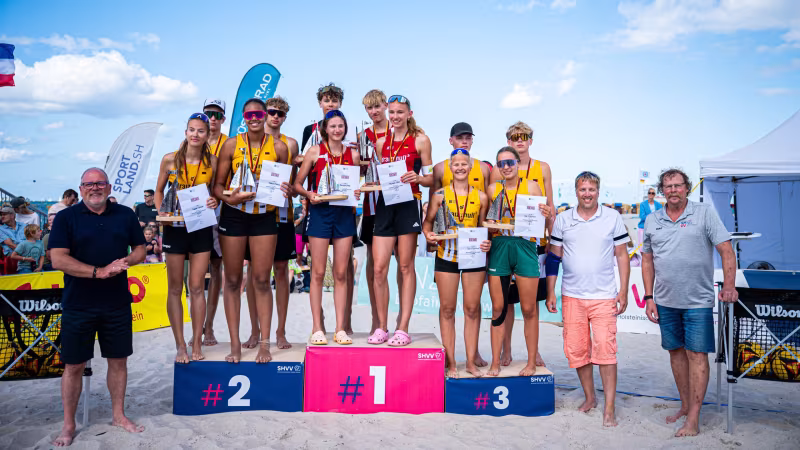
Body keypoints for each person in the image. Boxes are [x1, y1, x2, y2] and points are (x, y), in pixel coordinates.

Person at [49, 167, 146, 446]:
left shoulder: (125, 214)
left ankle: (119, 415)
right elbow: (58, 259)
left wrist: (125, 263)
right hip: (78, 304)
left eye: (100, 183)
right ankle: (68, 425)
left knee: (118, 361)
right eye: (89, 184)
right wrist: (97, 272)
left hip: (116, 303)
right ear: (80, 189)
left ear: (109, 186)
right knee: (74, 365)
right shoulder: (67, 218)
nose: (95, 188)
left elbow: (140, 248)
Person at [642, 168, 738, 437]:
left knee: (697, 355)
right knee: (675, 353)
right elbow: (647, 260)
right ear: (662, 191)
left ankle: (694, 418)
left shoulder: (704, 213)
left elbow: (726, 249)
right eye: (668, 186)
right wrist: (649, 297)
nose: (673, 190)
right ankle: (685, 406)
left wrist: (729, 286)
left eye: (678, 185)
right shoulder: (652, 220)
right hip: (665, 300)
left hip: (697, 301)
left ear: (687, 188)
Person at [546, 171, 631, 427]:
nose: (587, 194)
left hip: (604, 296)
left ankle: (610, 409)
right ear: (576, 192)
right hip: (572, 296)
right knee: (577, 350)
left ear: (598, 191)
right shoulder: (563, 219)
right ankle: (590, 397)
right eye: (582, 189)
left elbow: (622, 255)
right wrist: (551, 291)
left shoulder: (612, 217)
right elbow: (554, 257)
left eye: (591, 190)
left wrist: (623, 290)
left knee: (606, 350)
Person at [213, 98, 289, 363]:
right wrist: (227, 198)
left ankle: (265, 343)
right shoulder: (231, 145)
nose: (255, 118)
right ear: (244, 117)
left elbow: (283, 185)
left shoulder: (278, 147)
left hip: (263, 218)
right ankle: (235, 344)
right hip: (234, 216)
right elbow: (217, 185)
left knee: (260, 280)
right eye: (250, 114)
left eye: (260, 113)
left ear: (266, 115)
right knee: (232, 281)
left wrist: (285, 190)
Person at [489, 121, 554, 368]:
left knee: (530, 306)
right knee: (503, 304)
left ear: (530, 139)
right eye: (515, 137)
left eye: (523, 136)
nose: (519, 140)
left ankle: (533, 357)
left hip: (530, 242)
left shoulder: (541, 170)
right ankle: (504, 354)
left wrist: (549, 235)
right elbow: (489, 211)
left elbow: (550, 206)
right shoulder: (497, 179)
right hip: (502, 243)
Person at [155, 112, 219, 363]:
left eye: (200, 131)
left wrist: (214, 200)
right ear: (185, 132)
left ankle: (197, 343)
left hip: (201, 227)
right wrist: (162, 213)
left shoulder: (212, 161)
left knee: (196, 287)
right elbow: (159, 190)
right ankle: (180, 345)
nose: (195, 134)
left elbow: (214, 195)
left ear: (207, 135)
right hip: (175, 229)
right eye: (191, 130)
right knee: (175, 288)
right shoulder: (170, 159)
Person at [293, 109, 361, 345]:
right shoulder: (314, 151)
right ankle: (317, 327)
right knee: (319, 273)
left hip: (343, 214)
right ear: (325, 129)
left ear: (345, 128)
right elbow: (297, 184)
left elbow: (354, 185)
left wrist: (357, 191)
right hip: (320, 213)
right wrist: (308, 194)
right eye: (332, 126)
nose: (337, 130)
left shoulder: (352, 154)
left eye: (341, 126)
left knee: (342, 273)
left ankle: (340, 328)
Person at [371, 95, 433, 346]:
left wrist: (417, 178)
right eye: (392, 112)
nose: (395, 117)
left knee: (406, 267)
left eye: (400, 112)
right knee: (378, 268)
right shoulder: (381, 143)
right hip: (386, 206)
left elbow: (431, 179)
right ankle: (381, 327)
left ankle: (403, 327)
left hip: (409, 205)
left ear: (409, 113)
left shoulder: (421, 140)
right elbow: (378, 177)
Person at [423, 148, 491, 377]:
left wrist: (487, 243)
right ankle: (451, 363)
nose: (460, 167)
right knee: (447, 309)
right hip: (446, 256)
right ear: (450, 168)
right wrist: (428, 234)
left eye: (464, 164)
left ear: (470, 167)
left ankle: (470, 362)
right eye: (456, 164)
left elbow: (484, 229)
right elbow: (428, 223)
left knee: (472, 309)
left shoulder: (481, 196)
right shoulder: (440, 195)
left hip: (473, 258)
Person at [261, 95, 299, 349]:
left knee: (282, 271)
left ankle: (281, 331)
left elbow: (295, 186)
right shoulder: (248, 142)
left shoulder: (291, 143)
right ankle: (257, 331)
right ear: (264, 113)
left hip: (282, 212)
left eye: (281, 114)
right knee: (258, 275)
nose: (276, 116)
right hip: (255, 213)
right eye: (272, 112)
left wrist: (291, 189)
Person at [358, 89, 392, 335]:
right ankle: (377, 320)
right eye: (369, 108)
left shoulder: (400, 131)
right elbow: (356, 169)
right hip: (372, 204)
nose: (374, 111)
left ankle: (399, 323)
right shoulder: (363, 135)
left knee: (404, 265)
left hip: (397, 202)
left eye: (377, 106)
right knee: (374, 265)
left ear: (385, 105)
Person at [202, 98, 228, 347]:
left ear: (223, 118)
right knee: (197, 274)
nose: (212, 118)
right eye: (208, 113)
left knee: (216, 268)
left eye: (217, 115)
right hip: (196, 209)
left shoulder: (228, 143)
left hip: (221, 209)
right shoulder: (192, 140)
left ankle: (209, 326)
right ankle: (200, 324)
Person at [0, 205, 25, 274]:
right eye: (1, 215)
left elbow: (31, 239)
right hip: (12, 256)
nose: (2, 217)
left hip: (26, 254)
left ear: (12, 216)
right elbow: (10, 244)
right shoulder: (1, 229)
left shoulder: (24, 226)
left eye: (4, 214)